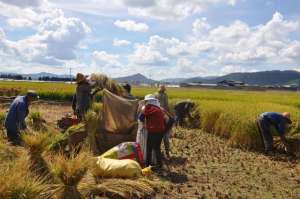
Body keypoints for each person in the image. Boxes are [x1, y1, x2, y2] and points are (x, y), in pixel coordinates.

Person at [139, 94, 168, 168]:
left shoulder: (147, 107)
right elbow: (166, 119)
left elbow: (141, 118)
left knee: (149, 148)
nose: (145, 102)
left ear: (148, 101)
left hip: (153, 131)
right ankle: (160, 165)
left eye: (146, 101)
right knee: (157, 148)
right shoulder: (158, 108)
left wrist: (144, 124)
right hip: (161, 131)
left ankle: (147, 165)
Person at [155, 85, 171, 158]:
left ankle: (158, 152)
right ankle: (167, 152)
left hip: (156, 115)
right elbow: (167, 106)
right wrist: (169, 114)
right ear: (164, 90)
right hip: (163, 115)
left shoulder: (155, 94)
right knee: (166, 136)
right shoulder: (165, 96)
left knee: (157, 136)